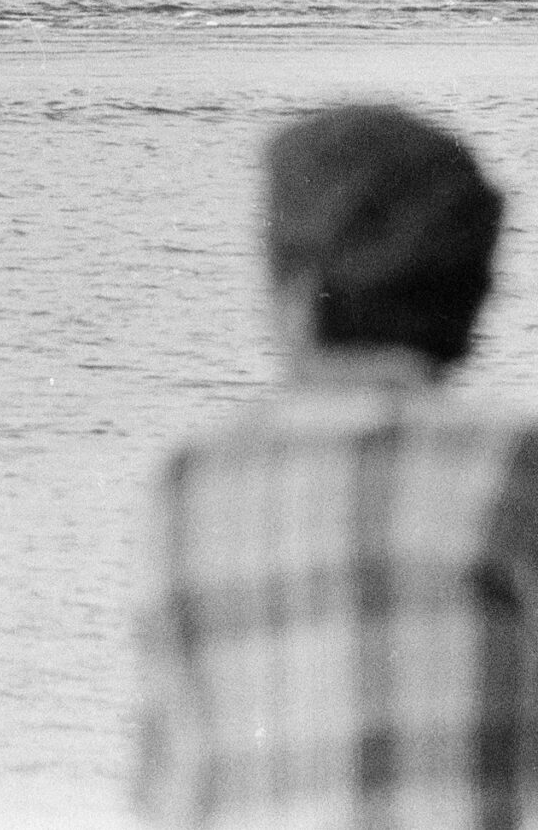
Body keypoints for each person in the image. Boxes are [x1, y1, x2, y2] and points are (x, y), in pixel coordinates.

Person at [135, 105, 521, 828]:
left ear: (291, 296)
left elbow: (169, 788)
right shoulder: (506, 463)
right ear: (475, 294)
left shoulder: (188, 483)